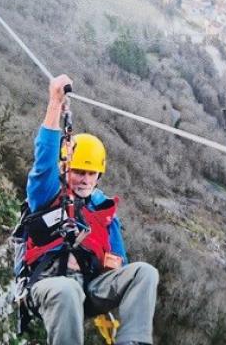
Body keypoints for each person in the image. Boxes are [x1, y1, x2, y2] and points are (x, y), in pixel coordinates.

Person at [24, 74, 159, 345]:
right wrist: (54, 104)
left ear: (99, 175)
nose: (85, 179)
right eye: (79, 172)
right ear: (66, 169)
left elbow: (119, 262)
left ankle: (133, 341)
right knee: (66, 290)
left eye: (91, 174)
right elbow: (43, 160)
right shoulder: (47, 194)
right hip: (50, 285)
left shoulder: (104, 211)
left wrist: (112, 269)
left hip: (89, 288)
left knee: (144, 273)